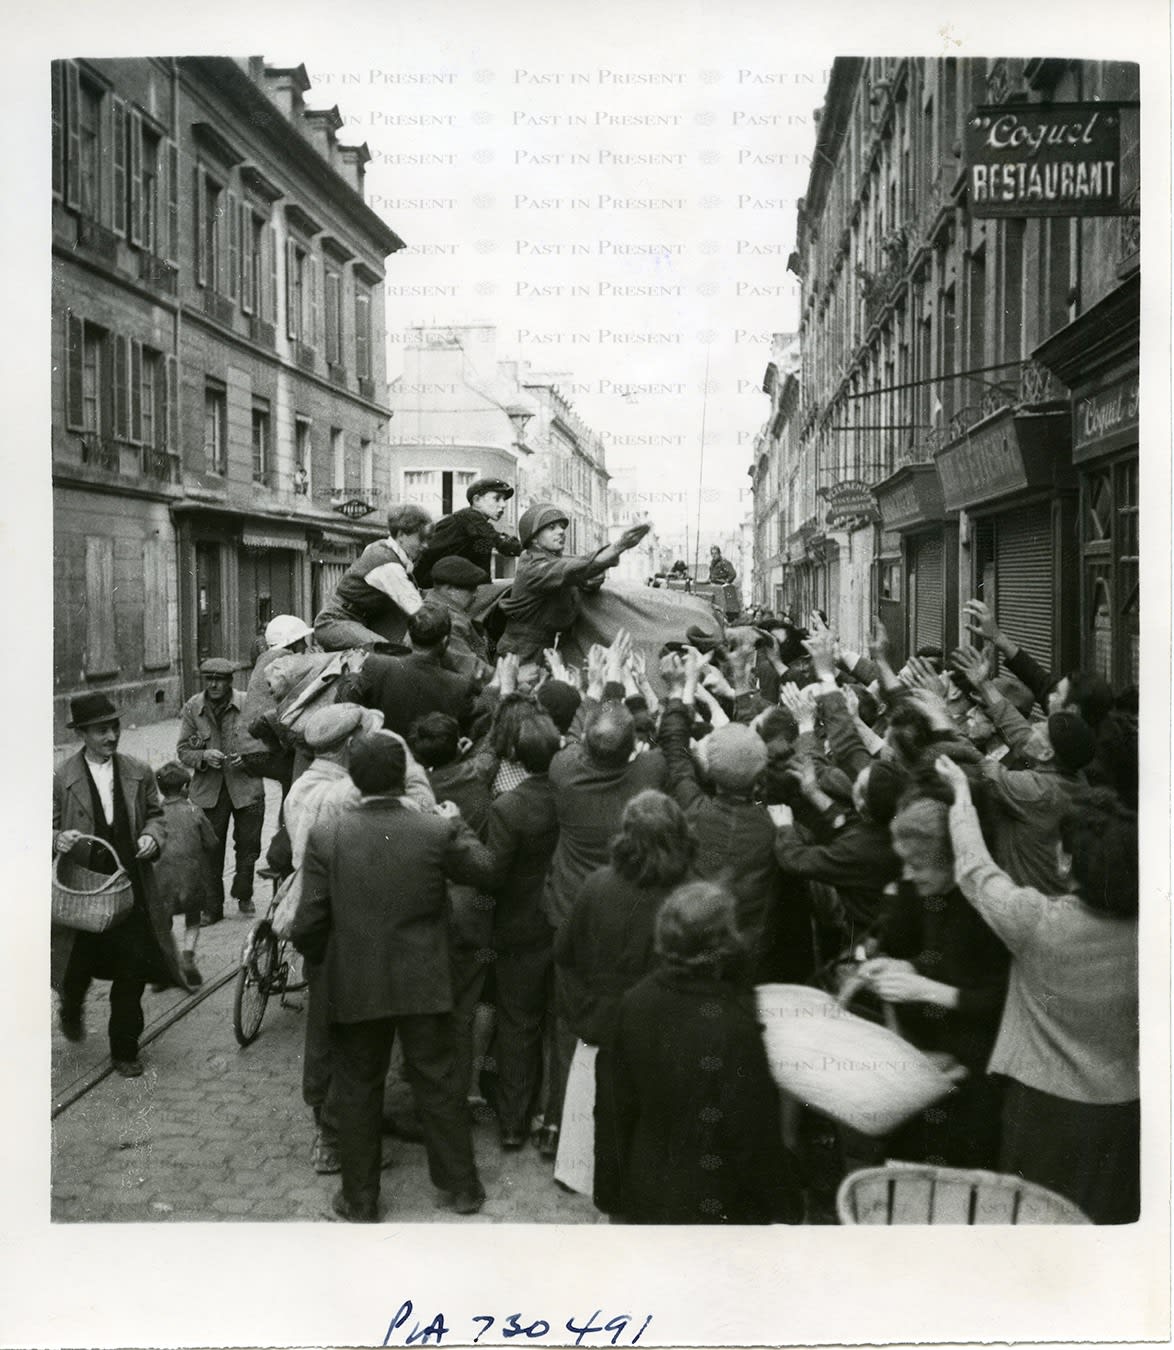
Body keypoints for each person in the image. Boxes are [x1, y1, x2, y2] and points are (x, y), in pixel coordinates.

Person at [293, 733, 496, 1222]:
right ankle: (461, 1188)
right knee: (439, 1084)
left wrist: (331, 963)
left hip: (357, 983)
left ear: (354, 779)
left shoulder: (328, 836)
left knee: (359, 1088)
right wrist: (458, 823)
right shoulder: (433, 830)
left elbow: (307, 926)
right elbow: (486, 872)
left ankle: (360, 1201)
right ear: (404, 777)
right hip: (424, 980)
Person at [936, 756, 1140, 1224]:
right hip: (1123, 1109)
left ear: (1066, 861)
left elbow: (975, 870)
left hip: (1043, 1111)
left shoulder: (1036, 922)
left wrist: (962, 797)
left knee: (1034, 1227)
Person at [594, 880, 802, 1225]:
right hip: (712, 1201)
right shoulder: (734, 1026)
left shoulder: (634, 1002)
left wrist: (611, 1194)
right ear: (725, 942)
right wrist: (785, 1205)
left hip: (645, 1186)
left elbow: (613, 1108)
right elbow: (752, 1133)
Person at [283, 702, 432, 1176]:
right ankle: (337, 1139)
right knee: (355, 1041)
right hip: (355, 927)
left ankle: (330, 1131)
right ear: (351, 746)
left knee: (323, 1032)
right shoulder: (348, 794)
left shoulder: (301, 789)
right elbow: (419, 805)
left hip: (316, 921)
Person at [856, 791, 1010, 1169]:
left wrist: (926, 989)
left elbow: (1001, 999)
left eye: (919, 866)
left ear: (954, 862)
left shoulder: (988, 911)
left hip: (974, 1073)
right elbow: (940, 961)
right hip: (933, 1062)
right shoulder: (933, 895)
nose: (909, 877)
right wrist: (907, 968)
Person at [53, 693, 182, 1077]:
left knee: (132, 970)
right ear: (83, 734)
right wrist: (56, 838)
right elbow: (44, 824)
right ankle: (72, 1006)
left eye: (115, 728)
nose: (112, 736)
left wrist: (151, 837)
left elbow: (157, 816)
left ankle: (124, 1048)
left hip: (129, 887)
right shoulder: (62, 777)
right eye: (101, 730)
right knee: (76, 967)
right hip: (83, 891)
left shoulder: (138, 771)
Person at [483, 713, 564, 1150]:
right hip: (562, 920)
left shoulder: (507, 807)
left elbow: (493, 873)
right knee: (559, 1028)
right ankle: (553, 1127)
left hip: (517, 927)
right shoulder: (569, 797)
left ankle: (513, 1123)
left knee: (518, 1025)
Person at [496, 504, 650, 662]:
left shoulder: (551, 562)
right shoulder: (533, 567)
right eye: (551, 528)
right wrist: (620, 545)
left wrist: (590, 579)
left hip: (547, 648)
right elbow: (570, 569)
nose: (561, 531)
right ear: (534, 537)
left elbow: (575, 572)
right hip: (522, 653)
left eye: (562, 527)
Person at [176, 658, 266, 923]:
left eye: (220, 679)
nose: (214, 684)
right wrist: (204, 755)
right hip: (209, 790)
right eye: (209, 679)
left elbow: (267, 744)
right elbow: (183, 751)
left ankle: (244, 893)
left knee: (249, 845)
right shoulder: (194, 707)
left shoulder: (249, 703)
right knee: (210, 851)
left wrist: (248, 757)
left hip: (246, 787)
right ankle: (212, 907)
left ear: (230, 681)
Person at [313, 504, 433, 651]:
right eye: (421, 538)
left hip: (357, 621)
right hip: (335, 622)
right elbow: (417, 609)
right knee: (388, 651)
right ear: (401, 535)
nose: (425, 545)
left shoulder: (383, 548)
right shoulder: (388, 565)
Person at [346, 603, 477, 737]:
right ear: (445, 640)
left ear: (408, 635)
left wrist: (354, 672)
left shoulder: (375, 664)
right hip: (428, 756)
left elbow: (345, 709)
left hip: (381, 752)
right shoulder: (460, 686)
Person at [152, 761, 218, 988]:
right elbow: (211, 842)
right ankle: (188, 956)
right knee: (193, 918)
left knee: (163, 923)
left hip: (162, 880)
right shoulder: (194, 811)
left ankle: (164, 967)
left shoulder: (154, 815)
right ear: (184, 788)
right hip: (192, 879)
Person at [414, 477, 523, 588]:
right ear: (476, 500)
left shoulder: (477, 529)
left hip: (447, 586)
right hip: (435, 587)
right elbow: (502, 543)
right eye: (497, 498)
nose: (503, 505)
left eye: (504, 500)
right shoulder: (469, 517)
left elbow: (482, 572)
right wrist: (530, 550)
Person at [425, 556, 494, 683]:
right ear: (449, 589)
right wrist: (506, 675)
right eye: (470, 588)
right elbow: (470, 668)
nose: (475, 595)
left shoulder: (432, 608)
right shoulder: (446, 621)